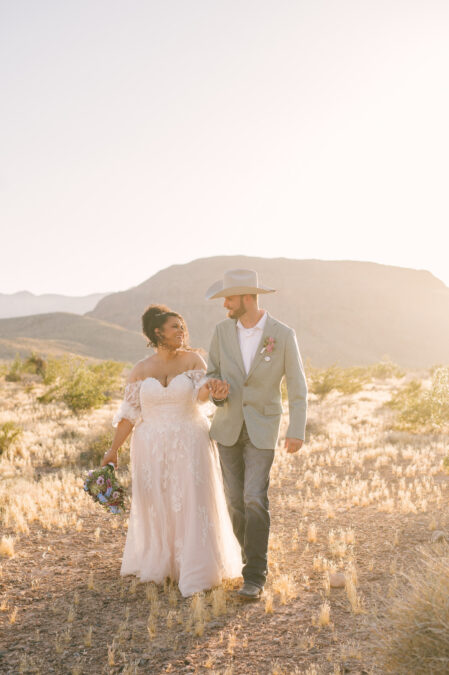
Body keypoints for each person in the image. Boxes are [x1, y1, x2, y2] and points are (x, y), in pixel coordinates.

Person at [101, 304, 242, 597]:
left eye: (182, 326)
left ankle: (197, 569)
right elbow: (129, 414)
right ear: (157, 332)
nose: (182, 331)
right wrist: (113, 450)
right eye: (174, 327)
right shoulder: (140, 370)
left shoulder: (193, 360)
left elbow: (200, 396)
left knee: (192, 500)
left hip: (189, 441)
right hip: (150, 446)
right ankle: (162, 565)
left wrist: (212, 388)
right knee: (157, 502)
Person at [205, 269, 308, 600]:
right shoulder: (221, 332)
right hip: (227, 426)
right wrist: (217, 390)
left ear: (247, 297)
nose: (225, 306)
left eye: (229, 299)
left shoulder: (283, 334)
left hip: (263, 426)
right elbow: (213, 375)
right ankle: (251, 559)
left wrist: (296, 429)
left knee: (253, 497)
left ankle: (255, 575)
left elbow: (297, 386)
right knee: (235, 501)